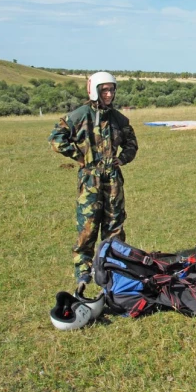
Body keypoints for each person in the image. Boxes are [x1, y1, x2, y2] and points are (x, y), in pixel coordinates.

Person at [48, 71, 138, 287]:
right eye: (104, 90)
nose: (108, 94)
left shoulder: (119, 118)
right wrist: (79, 156)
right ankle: (83, 271)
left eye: (111, 90)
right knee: (88, 227)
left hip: (113, 180)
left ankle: (112, 268)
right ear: (94, 91)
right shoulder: (80, 115)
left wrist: (121, 160)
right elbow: (56, 138)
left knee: (114, 226)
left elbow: (132, 144)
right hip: (90, 180)